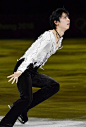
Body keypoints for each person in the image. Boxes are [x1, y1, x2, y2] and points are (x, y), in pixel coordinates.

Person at [0, 7, 70, 127]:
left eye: (68, 17)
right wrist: (20, 71)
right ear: (56, 22)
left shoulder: (59, 39)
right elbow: (33, 54)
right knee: (26, 98)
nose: (68, 19)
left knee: (53, 86)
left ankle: (22, 109)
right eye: (64, 17)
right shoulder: (49, 36)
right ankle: (5, 124)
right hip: (24, 66)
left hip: (32, 70)